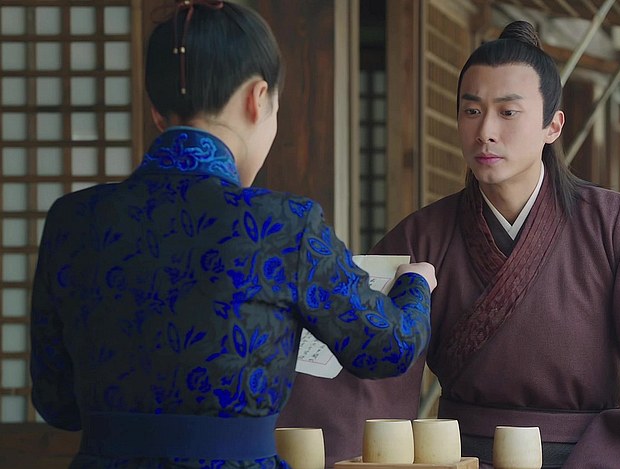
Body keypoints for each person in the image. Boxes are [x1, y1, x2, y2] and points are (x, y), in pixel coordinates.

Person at [281, 20, 620, 468]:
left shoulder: (613, 226)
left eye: (507, 112)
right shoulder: (423, 237)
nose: (485, 130)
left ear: (552, 126)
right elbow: (358, 361)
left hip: (589, 460)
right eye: (471, 111)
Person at [28, 1, 435, 467]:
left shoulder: (72, 220)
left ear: (157, 112)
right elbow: (388, 348)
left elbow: (57, 403)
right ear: (257, 99)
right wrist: (415, 285)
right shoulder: (284, 224)